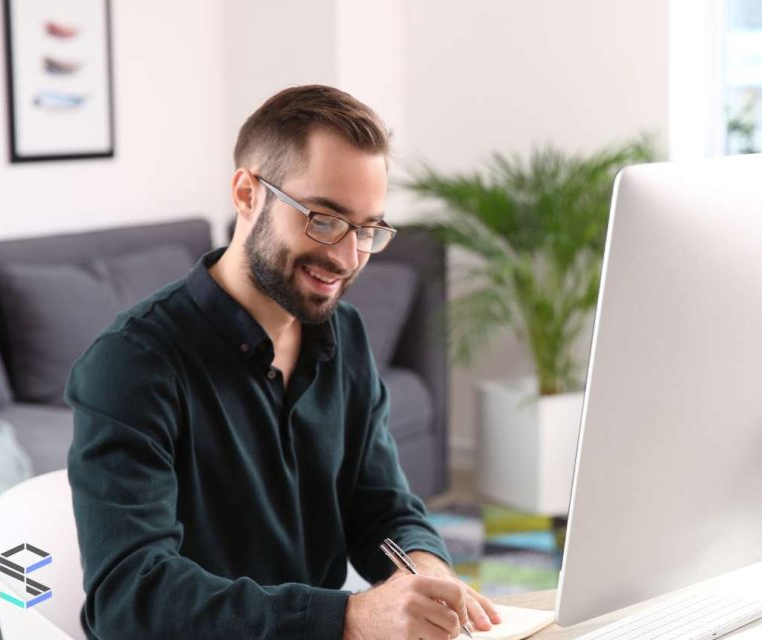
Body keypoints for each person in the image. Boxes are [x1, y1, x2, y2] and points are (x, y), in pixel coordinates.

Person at [66, 85, 501, 639]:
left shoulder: (345, 334)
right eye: (323, 219)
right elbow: (129, 599)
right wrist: (349, 618)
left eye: (368, 229)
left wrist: (427, 572)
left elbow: (383, 510)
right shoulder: (132, 364)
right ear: (247, 193)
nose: (347, 258)